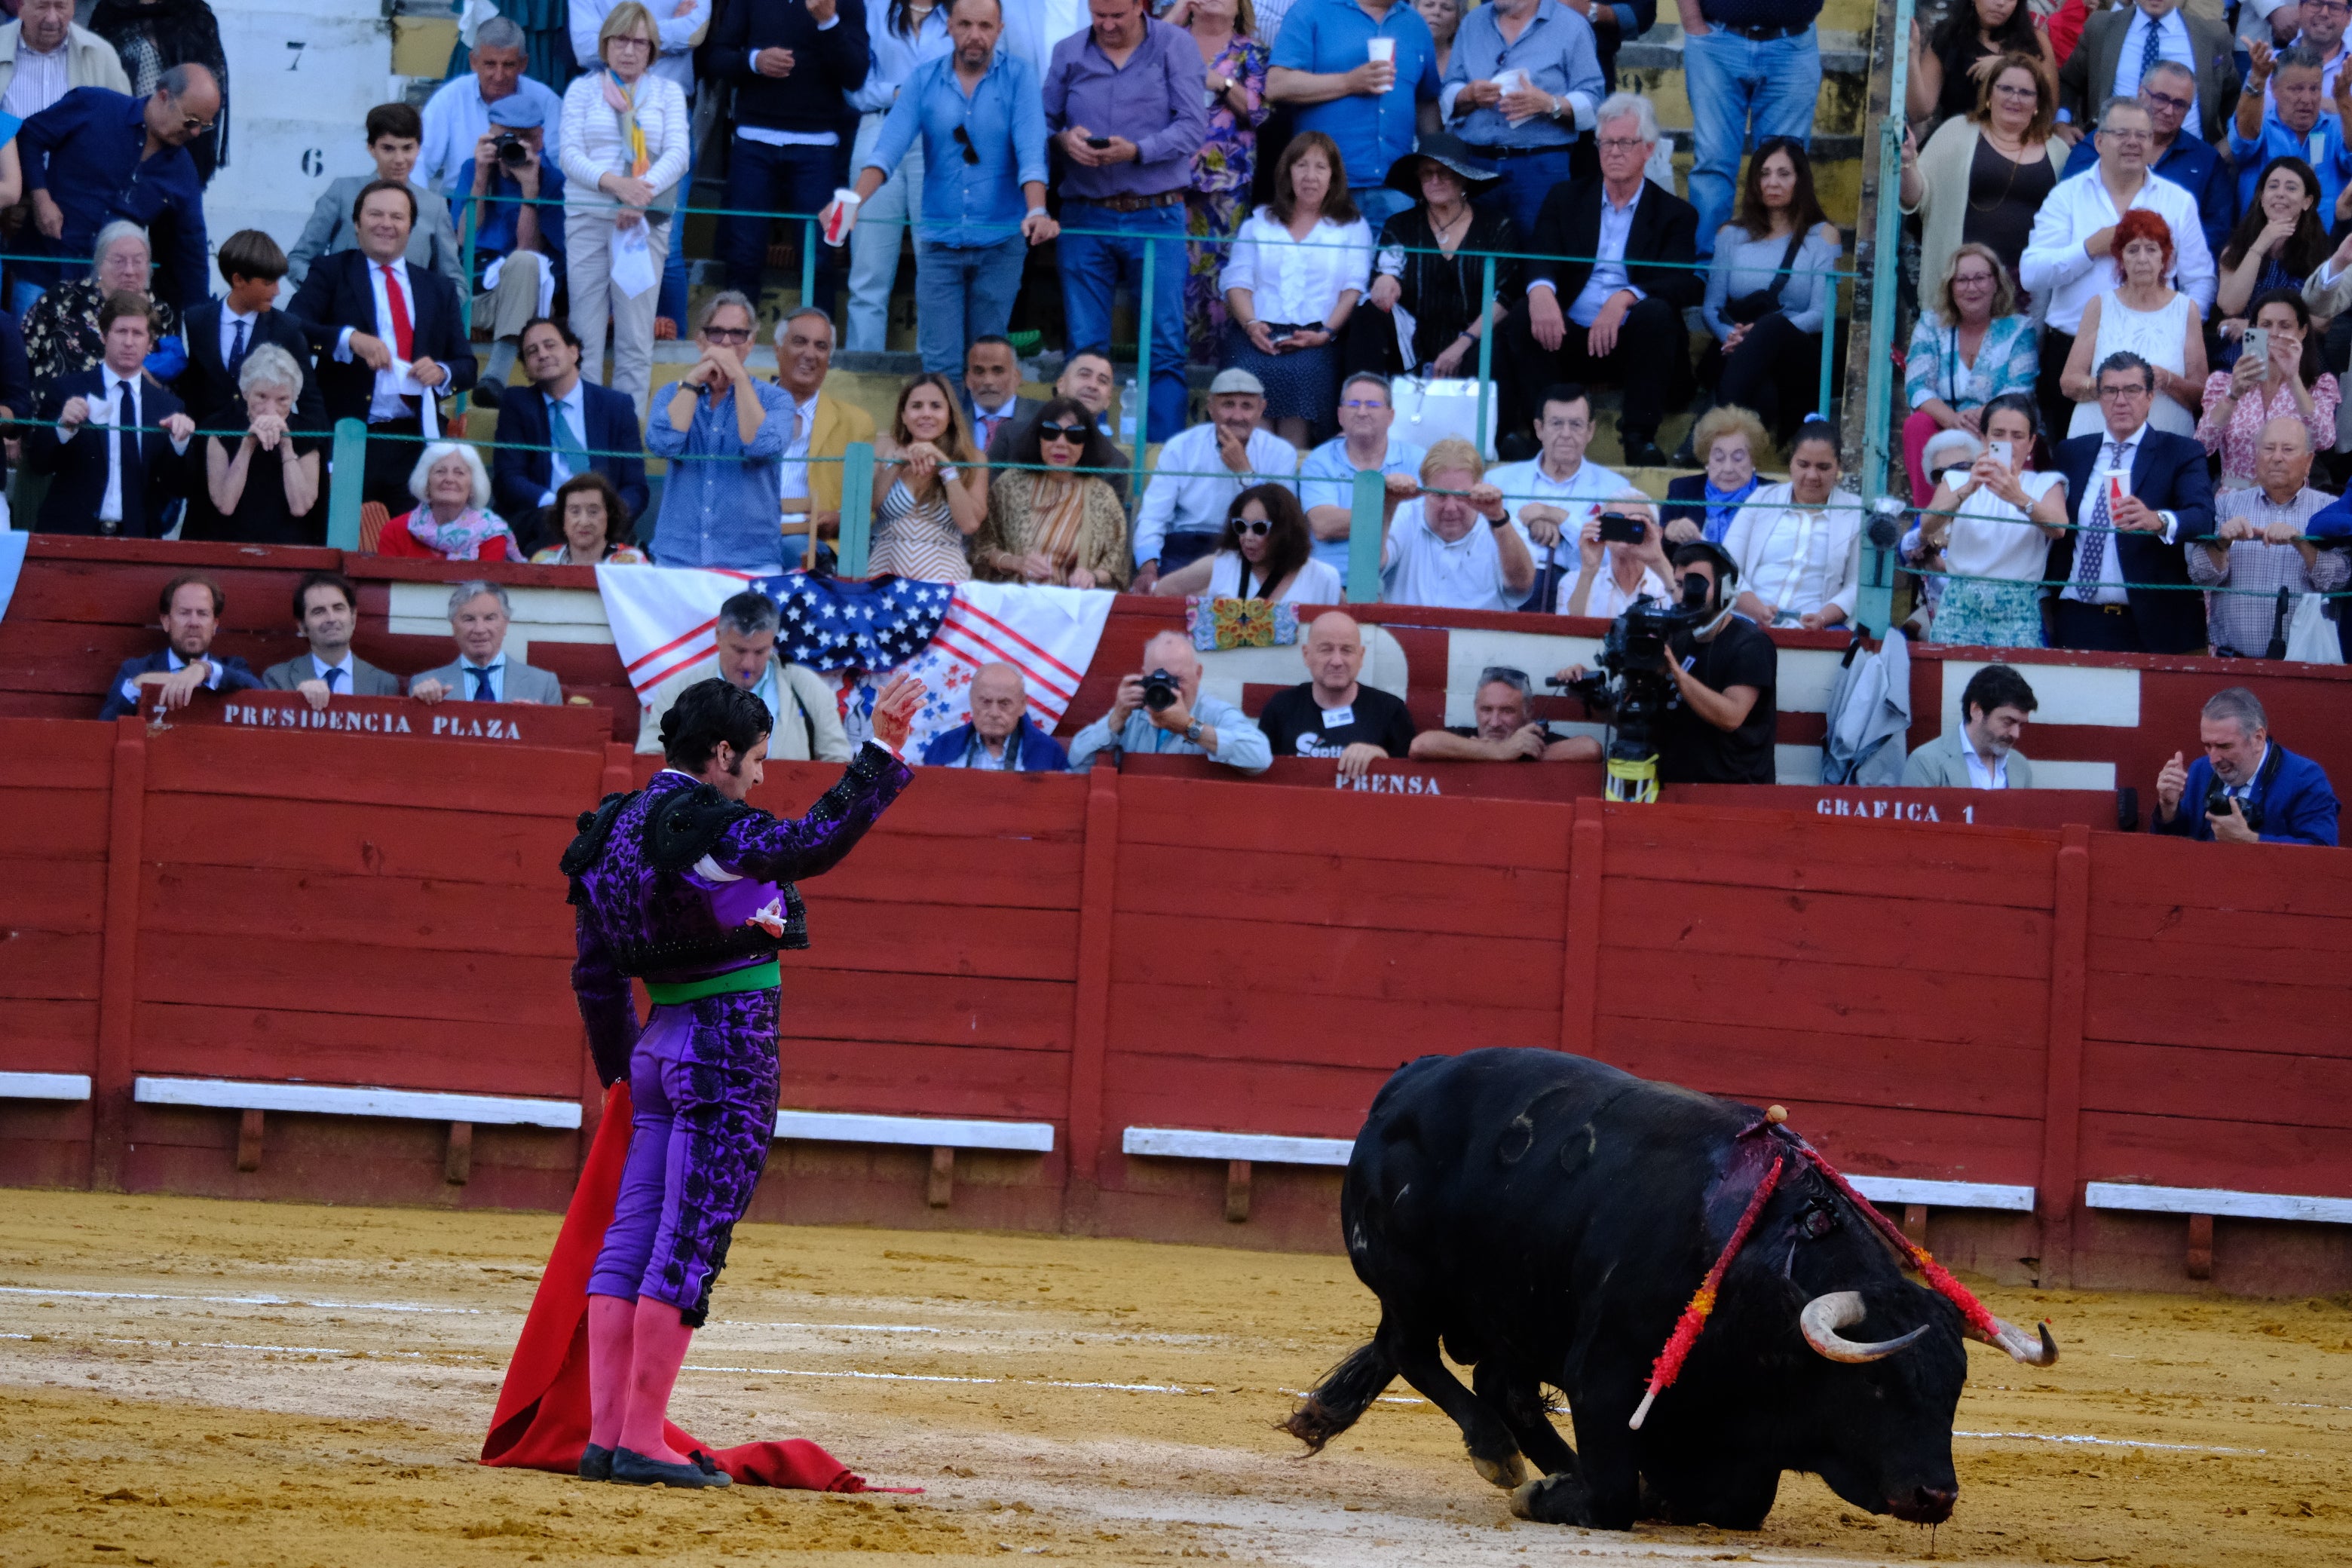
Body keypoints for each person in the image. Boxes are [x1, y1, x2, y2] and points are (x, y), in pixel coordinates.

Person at [569, 674, 920, 1490]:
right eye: (757, 759)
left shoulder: (607, 829)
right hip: (723, 1050)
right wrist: (880, 756)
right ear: (722, 753)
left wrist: (625, 1074)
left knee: (630, 1241)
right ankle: (644, 1438)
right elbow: (815, 842)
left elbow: (594, 977)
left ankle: (606, 1433)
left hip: (657, 1048)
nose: (761, 777)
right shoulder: (706, 827)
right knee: (686, 1242)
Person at [829, 0, 1058, 390]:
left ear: (999, 29)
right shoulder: (922, 79)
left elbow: (1031, 153)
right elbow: (887, 150)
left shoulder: (1019, 78)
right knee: (940, 370)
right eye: (966, 24)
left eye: (985, 26)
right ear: (949, 26)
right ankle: (944, 451)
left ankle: (978, 450)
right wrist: (851, 203)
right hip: (939, 242)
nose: (975, 35)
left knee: (986, 365)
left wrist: (1037, 208)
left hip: (1000, 241)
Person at [1502, 93, 1701, 467]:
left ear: (1648, 150)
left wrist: (1625, 297)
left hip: (1633, 343)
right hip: (1568, 336)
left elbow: (1682, 280)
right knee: (1524, 314)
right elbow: (1540, 253)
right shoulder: (1565, 198)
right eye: (1606, 142)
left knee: (1656, 313)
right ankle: (1540, 435)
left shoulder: (1676, 214)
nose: (1614, 152)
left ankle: (1639, 438)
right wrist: (1541, 291)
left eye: (1625, 143)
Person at [1046, 0, 1209, 446]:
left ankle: (1160, 463)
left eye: (1117, 15)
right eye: (1099, 15)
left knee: (1163, 346)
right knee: (1084, 348)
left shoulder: (1177, 45)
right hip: (1084, 211)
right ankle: (1084, 454)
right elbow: (1043, 122)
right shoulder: (1068, 52)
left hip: (1156, 212)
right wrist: (1063, 140)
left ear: (1142, 6)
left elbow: (1194, 127)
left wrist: (1136, 150)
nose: (1107, 25)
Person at [2023, 103, 2216, 445]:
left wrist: (2178, 324)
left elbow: (2200, 279)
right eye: (2121, 133)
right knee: (2078, 469)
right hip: (2074, 354)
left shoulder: (2177, 201)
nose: (2132, 142)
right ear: (2098, 142)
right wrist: (2088, 249)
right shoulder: (2067, 196)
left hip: (2160, 360)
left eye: (2142, 135)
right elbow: (2031, 274)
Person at [287, 179, 477, 513]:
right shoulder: (331, 271)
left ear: (411, 226)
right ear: (357, 224)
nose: (386, 224)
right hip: (347, 434)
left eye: (397, 217)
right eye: (375, 215)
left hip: (412, 441)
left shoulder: (438, 287)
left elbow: (466, 364)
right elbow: (292, 327)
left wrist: (442, 371)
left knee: (408, 551)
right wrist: (349, 339)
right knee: (339, 538)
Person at [1556, 539, 1780, 782]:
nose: (1685, 595)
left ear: (1726, 590)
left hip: (1731, 794)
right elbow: (1644, 719)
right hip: (1669, 786)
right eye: (1680, 584)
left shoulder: (1751, 644)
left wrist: (1674, 670)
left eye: (1696, 585)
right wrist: (1593, 695)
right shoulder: (1677, 639)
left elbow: (1731, 717)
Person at [561, 4, 691, 418]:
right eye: (621, 40)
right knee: (585, 333)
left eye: (640, 42)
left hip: (643, 224)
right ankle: (584, 436)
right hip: (588, 218)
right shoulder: (582, 90)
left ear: (652, 50)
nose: (629, 50)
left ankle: (623, 447)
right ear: (605, 44)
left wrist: (639, 196)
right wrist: (616, 186)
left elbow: (679, 155)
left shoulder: (667, 92)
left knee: (635, 338)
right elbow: (569, 155)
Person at [712, 0, 869, 317]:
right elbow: (717, 57)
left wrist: (828, 22)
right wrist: (754, 61)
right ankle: (734, 351)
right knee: (742, 255)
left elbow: (855, 74)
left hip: (818, 147)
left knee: (820, 260)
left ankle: (818, 352)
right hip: (753, 142)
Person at [2050, 349, 2214, 652]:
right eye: (2110, 391)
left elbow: (2203, 516)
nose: (2120, 400)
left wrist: (2159, 520)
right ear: (2099, 397)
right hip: (2077, 616)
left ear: (2151, 397)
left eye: (2132, 390)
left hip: (2149, 624)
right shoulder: (2071, 453)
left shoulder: (2179, 452)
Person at [1220, 130, 1375, 447]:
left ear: (1333, 176)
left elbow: (1353, 289)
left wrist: (1326, 332)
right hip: (1257, 334)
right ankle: (1250, 483)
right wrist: (1251, 325)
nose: (1310, 176)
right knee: (1246, 380)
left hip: (1317, 338)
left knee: (1304, 378)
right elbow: (1237, 281)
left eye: (1320, 167)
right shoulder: (1259, 224)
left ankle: (1288, 490)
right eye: (1301, 165)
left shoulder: (1351, 227)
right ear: (1287, 172)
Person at [17, 68, 213, 311]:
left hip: (108, 296)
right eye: (192, 121)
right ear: (164, 97)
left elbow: (191, 247)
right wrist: (40, 196)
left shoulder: (182, 171)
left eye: (204, 126)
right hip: (42, 269)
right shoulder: (94, 105)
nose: (195, 133)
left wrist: (202, 320)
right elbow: (30, 135)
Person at [1699, 136, 1843, 443]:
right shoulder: (1731, 235)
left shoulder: (1823, 237)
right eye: (1764, 174)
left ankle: (1709, 430)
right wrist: (1732, 338)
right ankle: (1731, 449)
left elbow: (1822, 313)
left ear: (1800, 180)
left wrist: (1762, 333)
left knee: (1772, 327)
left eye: (1783, 174)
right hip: (1736, 349)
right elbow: (1712, 307)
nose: (1772, 182)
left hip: (1797, 353)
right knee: (1760, 393)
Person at [1902, 54, 2069, 317]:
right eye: (2006, 88)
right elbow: (1916, 199)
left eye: (2026, 92)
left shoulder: (2059, 152)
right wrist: (1906, 163)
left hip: (2027, 299)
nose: (2015, 98)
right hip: (1961, 291)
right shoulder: (1956, 132)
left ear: (2038, 103)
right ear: (1990, 94)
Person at [645, 292, 796, 571]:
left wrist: (738, 377)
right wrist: (692, 382)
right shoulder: (671, 394)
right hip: (677, 557)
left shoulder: (776, 400)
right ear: (700, 341)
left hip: (749, 561)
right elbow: (663, 444)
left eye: (738, 334)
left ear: (750, 343)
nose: (726, 342)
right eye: (716, 333)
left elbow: (762, 447)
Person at [1352, 133, 1518, 381]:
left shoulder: (1496, 226)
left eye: (1444, 172)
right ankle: (1364, 402)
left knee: (1492, 352)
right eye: (1426, 173)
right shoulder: (1401, 225)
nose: (1434, 180)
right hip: (1410, 342)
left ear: (1463, 177)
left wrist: (1462, 345)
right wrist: (1385, 281)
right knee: (1366, 314)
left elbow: (1505, 296)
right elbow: (1388, 268)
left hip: (1475, 341)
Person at [25, 289, 191, 537]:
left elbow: (178, 486)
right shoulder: (67, 390)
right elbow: (38, 463)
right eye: (121, 331)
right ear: (103, 335)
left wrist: (180, 445)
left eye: (138, 333)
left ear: (150, 343)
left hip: (137, 539)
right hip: (70, 534)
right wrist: (62, 427)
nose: (128, 342)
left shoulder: (168, 406)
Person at [1265, 0, 1443, 231]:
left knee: (1390, 268)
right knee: (1323, 267)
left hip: (1396, 188)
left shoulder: (1415, 23)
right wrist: (1348, 82)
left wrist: (1438, 165)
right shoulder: (1311, 10)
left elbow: (1426, 102)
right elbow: (1277, 85)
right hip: (1324, 186)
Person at [1908, 392, 2069, 645]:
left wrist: (2018, 497)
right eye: (1998, 434)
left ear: (2031, 443)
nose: (2008, 443)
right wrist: (1969, 487)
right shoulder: (1957, 480)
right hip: (1960, 607)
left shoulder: (2045, 483)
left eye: (2017, 436)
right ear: (1983, 439)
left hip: (2017, 612)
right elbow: (1928, 525)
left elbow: (2059, 529)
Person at [1438, 0, 1604, 235]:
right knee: (1474, 261)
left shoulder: (1571, 26)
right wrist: (1467, 95)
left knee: (1538, 257)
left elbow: (1594, 102)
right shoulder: (1472, 23)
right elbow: (1448, 89)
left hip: (1540, 167)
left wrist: (1550, 104)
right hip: (1475, 164)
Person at [844, 0, 952, 354]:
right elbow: (854, 87)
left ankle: (933, 378)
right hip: (880, 125)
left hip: (942, 136)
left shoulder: (960, 11)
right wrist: (898, 94)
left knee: (936, 267)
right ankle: (862, 368)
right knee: (868, 268)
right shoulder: (872, 7)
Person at [1676, 0, 1823, 260]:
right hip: (1716, 41)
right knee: (1713, 162)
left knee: (1785, 165)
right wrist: (1692, 21)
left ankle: (1772, 272)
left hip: (1793, 43)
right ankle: (1705, 269)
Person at [492, 317, 651, 554]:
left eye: (550, 345)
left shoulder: (616, 406)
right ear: (526, 368)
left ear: (574, 352)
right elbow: (509, 478)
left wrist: (607, 513)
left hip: (605, 522)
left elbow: (635, 486)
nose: (542, 354)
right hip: (542, 518)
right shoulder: (517, 404)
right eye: (532, 351)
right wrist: (560, 508)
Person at [1132, 367, 1302, 588]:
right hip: (1186, 546)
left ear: (1261, 409)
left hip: (1250, 546)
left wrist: (1245, 472)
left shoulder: (1280, 453)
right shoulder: (1180, 447)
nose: (1237, 416)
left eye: (1247, 406)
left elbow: (1282, 521)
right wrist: (1148, 567)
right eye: (1228, 404)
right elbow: (1154, 515)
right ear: (1210, 408)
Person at [635, 592, 854, 761]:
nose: (748, 664)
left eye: (760, 652)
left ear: (773, 642)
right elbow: (650, 758)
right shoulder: (678, 690)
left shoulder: (809, 688)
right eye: (739, 650)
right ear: (718, 636)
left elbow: (837, 761)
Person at [2055, 60, 2236, 264]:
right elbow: (2068, 209)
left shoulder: (2205, 161)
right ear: (2141, 92)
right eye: (2161, 98)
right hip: (2098, 266)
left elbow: (2216, 231)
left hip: (2173, 276)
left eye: (2179, 104)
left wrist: (2162, 253)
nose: (2169, 111)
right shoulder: (2099, 145)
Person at [2194, 415, 2348, 654]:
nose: (2277, 457)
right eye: (2268, 448)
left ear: (2308, 462)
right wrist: (2222, 543)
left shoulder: (2328, 510)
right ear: (2256, 457)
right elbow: (2200, 576)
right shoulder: (2226, 505)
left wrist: (2302, 543)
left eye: (2288, 449)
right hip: (2235, 660)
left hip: (2308, 662)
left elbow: (2340, 582)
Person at [1900, 245, 2038, 504]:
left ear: (1996, 282)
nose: (1971, 288)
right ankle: (1931, 519)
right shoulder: (1931, 324)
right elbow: (1917, 386)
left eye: (1980, 278)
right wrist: (1952, 419)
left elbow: (2020, 388)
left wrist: (1982, 417)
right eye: (1962, 280)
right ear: (1950, 287)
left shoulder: (2019, 328)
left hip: (1994, 422)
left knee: (2010, 426)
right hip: (1945, 422)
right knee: (1916, 424)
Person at [2059, 209, 2208, 438]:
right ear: (2121, 258)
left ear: (2164, 257)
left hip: (2165, 437)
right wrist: (2109, 385)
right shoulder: (2099, 305)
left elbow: (2202, 395)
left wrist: (2167, 379)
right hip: (2098, 433)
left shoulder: (2186, 309)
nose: (2142, 259)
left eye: (2151, 249)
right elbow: (2068, 382)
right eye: (2133, 250)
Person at [285, 103, 464, 291]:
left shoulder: (434, 207)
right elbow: (299, 260)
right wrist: (326, 297)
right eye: (388, 148)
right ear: (371, 148)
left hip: (407, 317)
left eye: (407, 148)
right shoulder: (343, 193)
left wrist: (429, 313)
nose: (399, 159)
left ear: (419, 148)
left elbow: (455, 282)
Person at [1178, 0, 1272, 360]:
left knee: (1220, 281)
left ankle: (1219, 375)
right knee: (1173, 279)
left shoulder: (1253, 52)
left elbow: (1259, 112)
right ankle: (1170, 370)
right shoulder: (1170, 42)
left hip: (1225, 187)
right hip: (1167, 183)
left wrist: (1222, 82)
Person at [1484, 381, 1630, 608]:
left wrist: (1556, 516)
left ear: (1590, 431)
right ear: (1539, 428)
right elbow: (1484, 545)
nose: (1566, 434)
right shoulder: (1498, 481)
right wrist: (1528, 527)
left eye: (1576, 425)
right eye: (1556, 424)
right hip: (1508, 591)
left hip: (1581, 595)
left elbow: (1617, 558)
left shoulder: (1616, 490)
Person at [458, 93, 566, 396]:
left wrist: (530, 190)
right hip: (471, 292)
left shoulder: (552, 181)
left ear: (540, 140)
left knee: (524, 262)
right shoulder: (473, 169)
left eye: (522, 139)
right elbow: (462, 239)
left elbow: (528, 250)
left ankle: (495, 378)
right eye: (505, 138)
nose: (511, 147)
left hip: (521, 298)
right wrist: (480, 179)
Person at [174, 230, 324, 436]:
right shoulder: (198, 321)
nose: (277, 291)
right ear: (238, 280)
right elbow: (193, 388)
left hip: (265, 450)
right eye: (268, 283)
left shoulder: (286, 329)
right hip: (208, 447)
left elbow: (311, 402)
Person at [1719, 418, 1863, 629]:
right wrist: (1757, 610)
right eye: (1803, 465)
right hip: (1748, 622)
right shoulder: (1761, 500)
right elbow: (1726, 566)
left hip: (1816, 629)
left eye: (1823, 467)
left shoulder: (1855, 513)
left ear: (1838, 467)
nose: (1812, 475)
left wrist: (1822, 618)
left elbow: (1856, 585)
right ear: (1790, 463)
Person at [1064, 627, 1274, 771]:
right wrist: (1116, 719)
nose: (1170, 688)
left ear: (1198, 674)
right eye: (1160, 679)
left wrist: (1190, 727)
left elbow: (1260, 756)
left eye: (1178, 679)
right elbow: (1077, 761)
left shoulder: (1214, 713)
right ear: (1144, 676)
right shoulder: (1134, 714)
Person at [975, 396, 1132, 587]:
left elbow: (1115, 565)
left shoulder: (1103, 496)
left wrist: (1092, 576)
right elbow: (982, 550)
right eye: (1051, 432)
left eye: (1074, 435)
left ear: (1086, 442)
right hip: (1016, 601)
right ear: (1038, 437)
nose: (1061, 443)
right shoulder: (1010, 484)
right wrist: (1017, 563)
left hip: (1075, 606)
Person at [2151, 684, 2339, 842]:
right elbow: (2173, 853)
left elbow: (2321, 852)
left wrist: (2251, 840)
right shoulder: (2200, 770)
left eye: (2224, 746)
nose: (2213, 759)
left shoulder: (2305, 778)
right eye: (2207, 746)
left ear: (2258, 738)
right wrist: (2168, 808)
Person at [21, 221, 178, 397]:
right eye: (119, 261)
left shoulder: (161, 313)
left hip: (127, 413)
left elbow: (170, 386)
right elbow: (21, 355)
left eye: (138, 261)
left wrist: (146, 380)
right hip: (55, 409)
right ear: (100, 264)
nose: (129, 270)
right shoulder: (63, 297)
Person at [1377, 436, 1536, 609]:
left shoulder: (1503, 522)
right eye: (1440, 495)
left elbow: (1522, 585)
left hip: (1480, 635)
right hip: (1408, 634)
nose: (1451, 507)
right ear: (1424, 491)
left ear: (1478, 488)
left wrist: (1498, 520)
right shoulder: (1406, 515)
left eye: (1461, 496)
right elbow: (1372, 565)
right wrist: (1389, 503)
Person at [2199, 287, 2341, 482]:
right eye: (2266, 325)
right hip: (2236, 495)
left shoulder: (2319, 385)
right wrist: (2232, 395)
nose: (2274, 333)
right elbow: (2203, 445)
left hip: (2292, 497)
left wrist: (2293, 380)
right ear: (2253, 330)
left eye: (2285, 326)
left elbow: (2324, 439)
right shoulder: (2223, 382)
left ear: (2302, 332)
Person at [2056, 0, 2241, 146]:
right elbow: (2069, 81)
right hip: (2109, 153)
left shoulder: (2211, 36)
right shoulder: (2102, 27)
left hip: (2185, 160)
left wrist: (2230, 145)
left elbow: (2232, 96)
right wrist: (2061, 123)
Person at [774, 308, 878, 565]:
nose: (810, 354)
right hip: (747, 533)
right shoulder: (749, 408)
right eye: (800, 342)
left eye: (821, 346)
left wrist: (841, 517)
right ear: (777, 349)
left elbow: (866, 505)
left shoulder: (855, 422)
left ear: (829, 359)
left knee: (794, 552)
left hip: (810, 540)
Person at [193, 345, 323, 547]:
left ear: (294, 398)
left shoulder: (306, 432)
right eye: (261, 397)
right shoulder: (220, 427)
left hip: (290, 548)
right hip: (229, 546)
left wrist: (287, 448)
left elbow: (301, 506)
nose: (270, 409)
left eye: (282, 400)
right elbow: (225, 504)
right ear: (246, 393)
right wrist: (247, 446)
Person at [417, 19, 565, 195]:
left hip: (531, 199)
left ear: (523, 64)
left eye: (508, 65)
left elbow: (561, 166)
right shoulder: (449, 98)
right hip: (462, 200)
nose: (499, 76)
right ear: (473, 61)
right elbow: (420, 162)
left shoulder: (546, 101)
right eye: (490, 64)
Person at [1257, 608, 1414, 773]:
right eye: (1326, 649)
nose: (1337, 661)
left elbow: (1412, 781)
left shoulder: (1390, 711)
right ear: (1306, 655)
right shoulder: (1281, 708)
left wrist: (1383, 759)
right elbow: (1259, 775)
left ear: (1361, 657)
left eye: (1347, 650)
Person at [88, 0, 228, 184]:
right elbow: (94, 81)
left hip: (182, 142)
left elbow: (213, 85)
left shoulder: (194, 15)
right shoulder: (110, 13)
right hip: (121, 140)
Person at [1300, 372, 1426, 574]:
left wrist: (1353, 520)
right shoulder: (1320, 460)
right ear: (1340, 415)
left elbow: (1420, 525)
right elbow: (1324, 525)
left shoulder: (1417, 459)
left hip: (1396, 578)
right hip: (1332, 579)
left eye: (1373, 405)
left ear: (1391, 416)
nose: (1362, 412)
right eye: (1353, 404)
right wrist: (1389, 501)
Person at [868, 372, 987, 580]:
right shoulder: (884, 447)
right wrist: (897, 462)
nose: (926, 414)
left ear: (950, 415)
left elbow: (969, 524)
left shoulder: (973, 458)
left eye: (936, 406)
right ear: (903, 415)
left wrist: (946, 468)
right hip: (883, 578)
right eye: (916, 406)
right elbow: (870, 505)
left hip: (945, 584)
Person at [96, 571, 259, 720]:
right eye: (184, 613)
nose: (194, 623)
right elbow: (104, 729)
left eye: (202, 614)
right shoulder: (136, 670)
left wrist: (206, 669)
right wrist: (138, 684)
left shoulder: (234, 667)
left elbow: (264, 697)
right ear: (166, 622)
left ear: (215, 625)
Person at [1153, 480, 1343, 599]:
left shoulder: (1324, 577)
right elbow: (1162, 592)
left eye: (1260, 528)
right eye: (1241, 527)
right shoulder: (1220, 565)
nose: (1247, 537)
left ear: (1284, 530)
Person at [988, 348, 1133, 502]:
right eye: (1084, 374)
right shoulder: (1011, 437)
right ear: (1061, 384)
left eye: (1102, 381)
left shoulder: (1115, 464)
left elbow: (1113, 524)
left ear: (1108, 400)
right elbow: (988, 506)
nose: (1093, 385)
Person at [2231, 46, 2352, 231]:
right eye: (2296, 89)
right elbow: (2244, 141)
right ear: (2274, 88)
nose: (2307, 99)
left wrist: (2343, 99)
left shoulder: (2337, 127)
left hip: (2326, 250)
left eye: (2314, 89)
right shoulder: (2260, 126)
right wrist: (2258, 79)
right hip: (2261, 246)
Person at [2213, 159, 2333, 342]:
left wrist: (2256, 328)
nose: (2280, 194)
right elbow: (2230, 306)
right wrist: (2260, 245)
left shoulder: (2320, 252)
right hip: (2245, 349)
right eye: (2273, 186)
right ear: (2262, 197)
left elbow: (2321, 322)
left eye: (2291, 188)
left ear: (2307, 201)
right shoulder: (2236, 248)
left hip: (2297, 351)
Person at [1906, 0, 2055, 133]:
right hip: (1957, 141)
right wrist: (1912, 56)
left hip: (2015, 145)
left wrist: (2006, 67)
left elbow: (2049, 108)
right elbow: (1919, 112)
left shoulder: (2035, 42)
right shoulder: (1948, 36)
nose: (2001, 3)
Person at [261, 571, 402, 709]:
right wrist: (297, 701)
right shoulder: (278, 679)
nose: (331, 619)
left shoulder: (383, 684)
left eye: (338, 608)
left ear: (353, 618)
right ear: (302, 626)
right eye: (319, 611)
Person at [409, 582, 562, 705]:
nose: (480, 629)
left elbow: (556, 742)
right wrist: (420, 704)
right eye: (469, 619)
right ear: (453, 626)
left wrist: (534, 723)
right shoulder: (424, 686)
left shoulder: (544, 685)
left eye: (489, 618)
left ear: (506, 624)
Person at [1407, 663, 1588, 761]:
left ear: (1528, 712)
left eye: (1507, 711)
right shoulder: (1462, 736)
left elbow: (1589, 748)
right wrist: (1501, 751)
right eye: (1486, 710)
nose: (1494, 722)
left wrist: (1522, 752)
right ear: (1475, 707)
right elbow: (1420, 745)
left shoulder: (1538, 740)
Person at [1901, 663, 2040, 787]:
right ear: (1976, 711)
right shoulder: (1926, 762)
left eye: (2021, 725)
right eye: (2008, 722)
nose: (2016, 734)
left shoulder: (2020, 766)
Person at [378, 443, 519, 562]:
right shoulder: (395, 530)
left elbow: (486, 591)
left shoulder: (491, 534)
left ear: (472, 486)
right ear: (426, 483)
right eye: (440, 471)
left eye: (459, 473)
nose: (449, 479)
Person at [0, 0, 130, 129]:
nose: (52, 19)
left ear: (73, 8)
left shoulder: (99, 54)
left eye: (60, 7)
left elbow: (124, 123)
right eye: (42, 7)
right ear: (20, 7)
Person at [920, 662, 1072, 769]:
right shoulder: (942, 747)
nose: (994, 713)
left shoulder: (1048, 753)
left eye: (1004, 704)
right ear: (972, 701)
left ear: (1023, 705)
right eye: (986, 702)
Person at [1661, 403, 1769, 546]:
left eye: (1738, 458)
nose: (1728, 468)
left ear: (1753, 459)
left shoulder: (1771, 494)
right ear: (1707, 459)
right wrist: (1671, 530)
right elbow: (1658, 538)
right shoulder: (1683, 490)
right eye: (1719, 458)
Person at [1554, 496, 1674, 617]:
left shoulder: (1666, 584)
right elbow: (1568, 631)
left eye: (1637, 523)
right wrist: (1588, 570)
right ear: (1601, 527)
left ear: (1658, 533)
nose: (1625, 529)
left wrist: (1658, 560)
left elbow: (1686, 610)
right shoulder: (1574, 581)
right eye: (1616, 521)